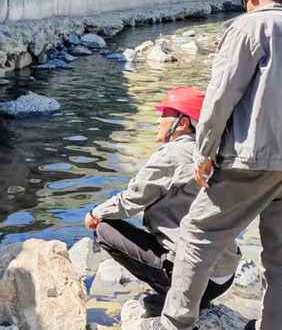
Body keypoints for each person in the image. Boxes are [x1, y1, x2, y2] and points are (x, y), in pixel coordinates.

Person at [142, 0, 282, 330]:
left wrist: (204, 153)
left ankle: (176, 323)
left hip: (251, 160)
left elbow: (220, 97)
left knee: (197, 235)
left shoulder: (247, 28)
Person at [85, 87, 241, 317]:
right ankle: (196, 300)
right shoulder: (211, 153)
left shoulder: (172, 154)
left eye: (165, 114)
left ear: (182, 123)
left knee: (105, 229)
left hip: (196, 277)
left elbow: (132, 200)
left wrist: (96, 213)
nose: (158, 120)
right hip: (224, 274)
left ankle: (174, 299)